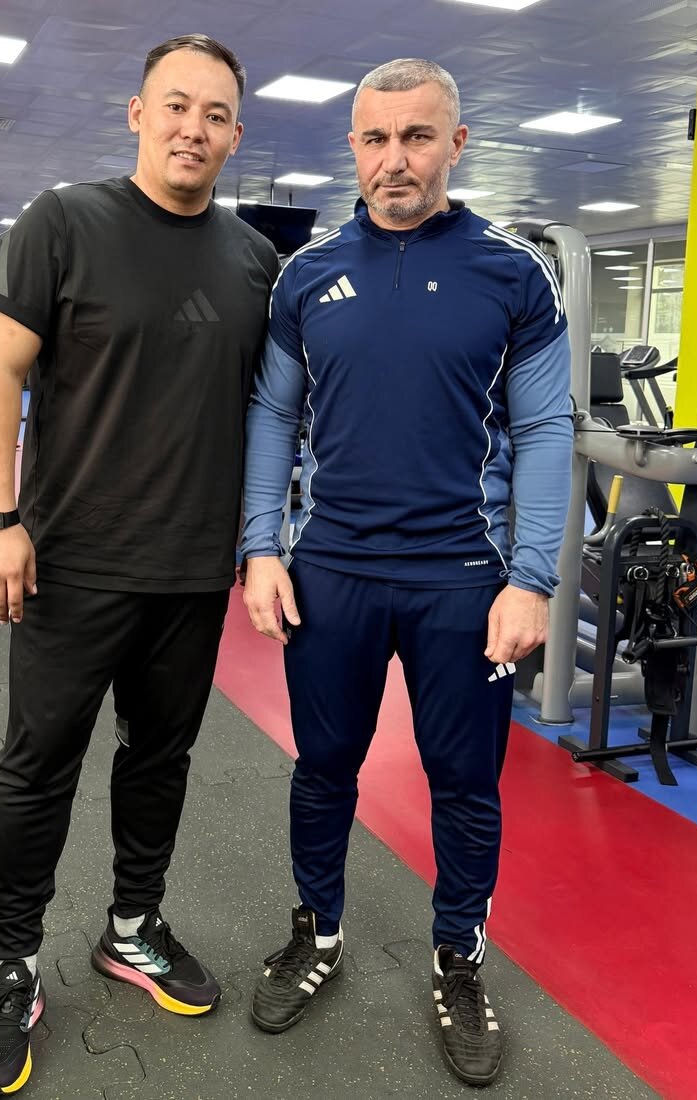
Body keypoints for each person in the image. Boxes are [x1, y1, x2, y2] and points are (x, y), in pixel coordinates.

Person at [240, 58, 573, 1088]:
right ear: (352, 147)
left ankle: (458, 955)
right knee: (323, 767)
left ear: (455, 144)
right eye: (376, 138)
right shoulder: (306, 276)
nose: (396, 159)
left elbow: (545, 426)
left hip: (463, 579)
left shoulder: (514, 275)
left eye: (417, 136)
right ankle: (318, 929)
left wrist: (532, 577)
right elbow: (273, 414)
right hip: (330, 571)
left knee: (465, 780)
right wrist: (261, 546)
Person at [0, 34, 279, 1095]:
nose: (195, 128)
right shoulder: (63, 222)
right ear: (138, 113)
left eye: (216, 114)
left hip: (191, 571)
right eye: (176, 105)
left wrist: (263, 544)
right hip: (71, 562)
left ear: (236, 134)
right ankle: (13, 961)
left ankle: (132, 925)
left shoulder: (254, 261)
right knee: (37, 765)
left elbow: (271, 412)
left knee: (159, 759)